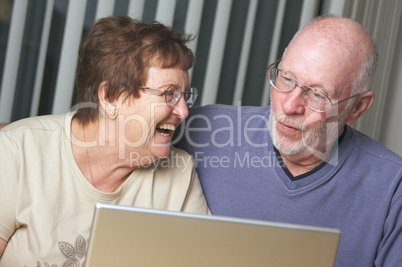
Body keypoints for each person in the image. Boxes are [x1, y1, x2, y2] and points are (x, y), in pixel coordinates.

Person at [175, 15, 402, 266]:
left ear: (357, 107)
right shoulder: (199, 129)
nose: (290, 105)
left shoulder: (393, 188)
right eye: (286, 78)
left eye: (317, 94)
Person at [0, 16, 209, 265]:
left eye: (185, 95)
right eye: (169, 94)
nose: (184, 112)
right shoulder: (17, 151)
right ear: (111, 96)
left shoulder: (180, 175)